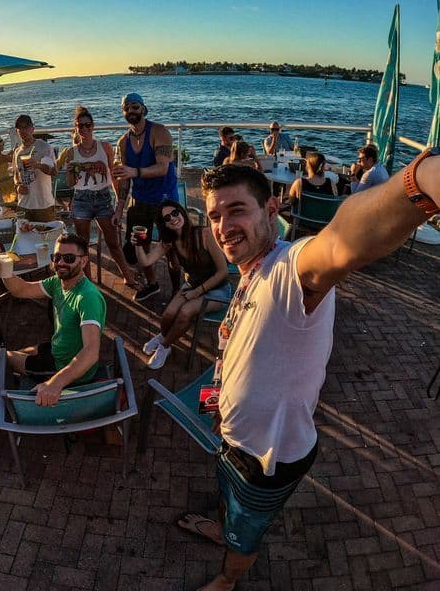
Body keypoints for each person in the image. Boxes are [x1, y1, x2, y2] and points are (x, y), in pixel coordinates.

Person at [177, 154, 439, 591]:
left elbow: (340, 242)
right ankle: (225, 527)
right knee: (230, 503)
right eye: (215, 216)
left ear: (272, 210)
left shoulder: (290, 267)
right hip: (232, 439)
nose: (223, 226)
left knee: (247, 530)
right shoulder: (251, 269)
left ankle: (227, 578)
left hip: (267, 460)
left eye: (237, 210)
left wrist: (421, 181)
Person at [0, 233, 106, 406]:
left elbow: (91, 352)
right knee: (14, 352)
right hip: (57, 349)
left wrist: (55, 383)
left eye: (68, 258)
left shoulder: (87, 297)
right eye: (57, 257)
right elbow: (21, 290)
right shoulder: (58, 283)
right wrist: (5, 272)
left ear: (83, 262)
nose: (60, 263)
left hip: (65, 368)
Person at [137, 201, 230, 369]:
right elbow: (146, 261)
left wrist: (198, 292)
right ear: (164, 224)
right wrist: (137, 244)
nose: (173, 218)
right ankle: (164, 336)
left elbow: (223, 272)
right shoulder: (170, 243)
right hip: (192, 285)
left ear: (182, 212)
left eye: (175, 213)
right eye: (167, 218)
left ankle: (165, 346)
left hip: (218, 289)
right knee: (168, 314)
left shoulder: (205, 235)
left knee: (185, 312)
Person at [59, 106, 139, 287]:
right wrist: (70, 171)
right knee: (83, 244)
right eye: (81, 126)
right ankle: (88, 282)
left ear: (93, 126)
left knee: (113, 242)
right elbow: (71, 183)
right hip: (81, 200)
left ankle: (127, 275)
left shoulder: (105, 147)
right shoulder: (71, 152)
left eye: (88, 125)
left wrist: (119, 203)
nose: (85, 129)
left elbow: (112, 175)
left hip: (103, 199)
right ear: (76, 127)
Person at [113, 93, 179, 302]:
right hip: (140, 200)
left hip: (164, 200)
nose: (131, 111)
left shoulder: (159, 132)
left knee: (170, 246)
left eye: (135, 106)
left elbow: (162, 167)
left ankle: (177, 290)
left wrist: (135, 172)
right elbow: (124, 179)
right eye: (127, 108)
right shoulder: (123, 142)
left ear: (143, 108)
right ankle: (152, 284)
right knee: (140, 245)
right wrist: (119, 209)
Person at [12, 114, 57, 222]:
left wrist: (37, 165)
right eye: (20, 128)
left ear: (32, 129)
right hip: (24, 205)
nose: (23, 131)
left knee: (47, 237)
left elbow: (54, 172)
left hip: (43, 205)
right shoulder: (17, 152)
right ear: (16, 131)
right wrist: (18, 187)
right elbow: (16, 176)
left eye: (26, 127)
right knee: (24, 237)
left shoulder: (44, 147)